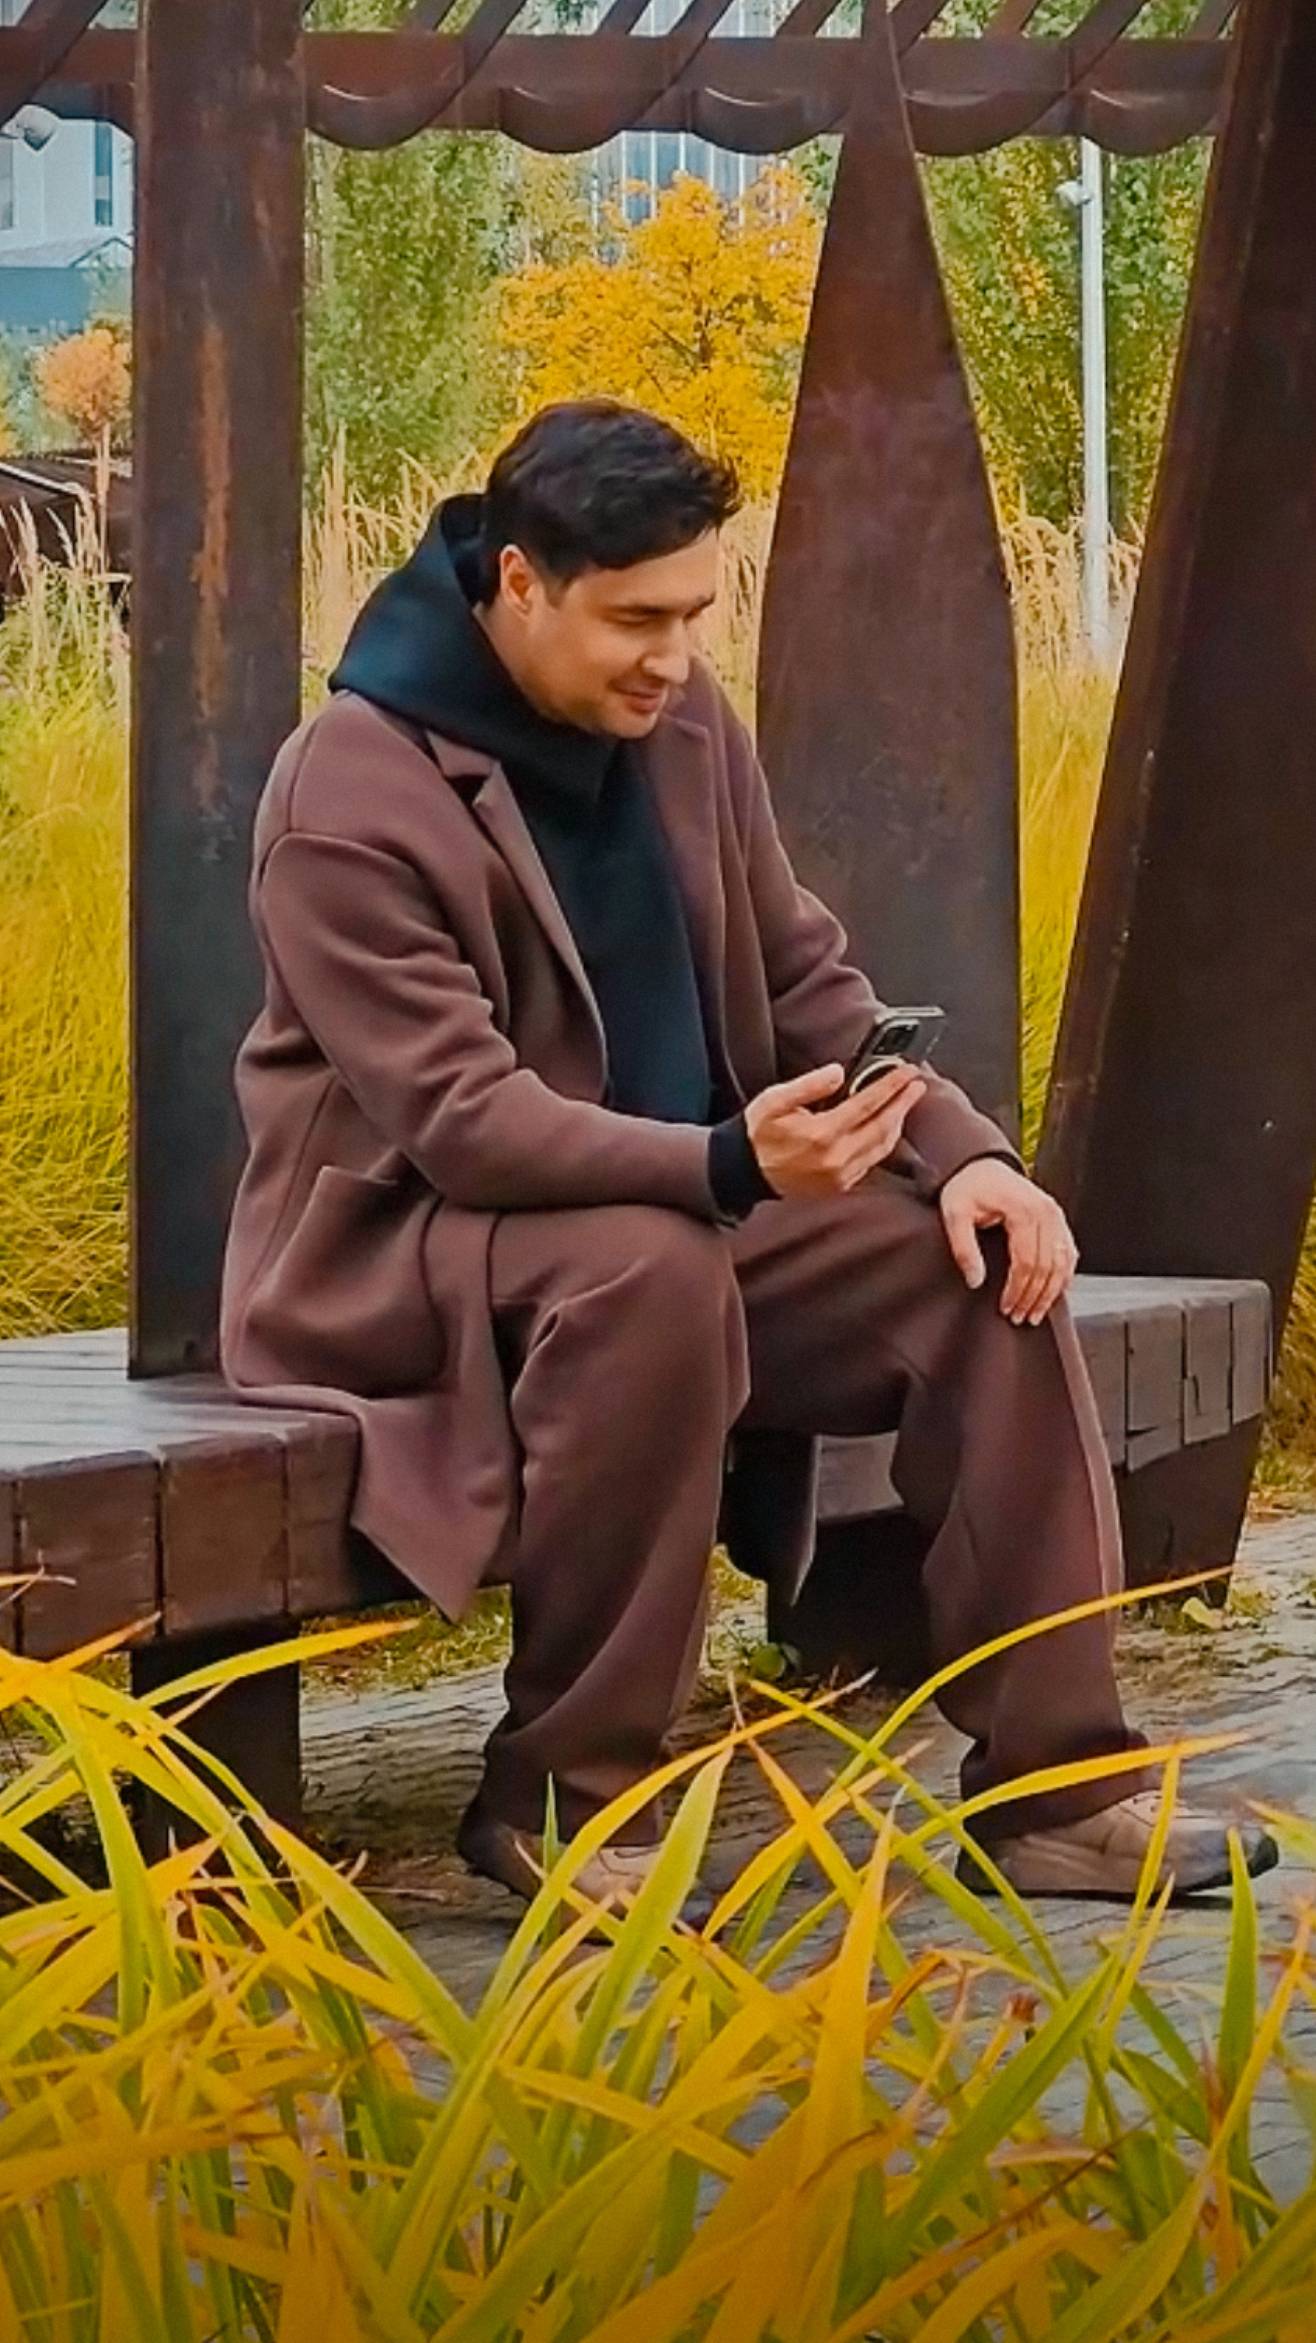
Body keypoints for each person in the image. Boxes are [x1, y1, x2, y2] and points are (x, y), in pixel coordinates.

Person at [218, 398, 1276, 1911]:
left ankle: (1057, 1792)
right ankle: (570, 1806)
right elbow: (459, 1118)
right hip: (411, 1257)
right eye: (635, 619)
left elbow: (801, 982)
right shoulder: (349, 790)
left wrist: (967, 1159)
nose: (673, 656)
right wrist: (730, 1166)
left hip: (677, 1215)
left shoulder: (681, 724)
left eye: (696, 615)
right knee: (648, 1268)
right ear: (517, 581)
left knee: (976, 1270)